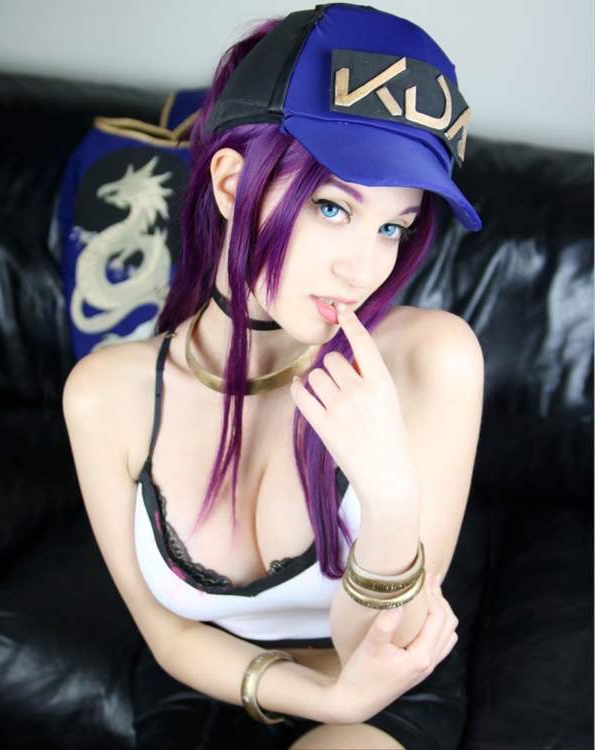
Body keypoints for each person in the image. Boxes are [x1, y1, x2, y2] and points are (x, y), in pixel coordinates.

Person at [63, 3, 484, 749]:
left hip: (384, 696)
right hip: (207, 689)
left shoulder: (430, 360)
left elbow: (381, 649)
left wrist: (389, 496)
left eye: (393, 225)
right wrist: (316, 692)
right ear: (232, 184)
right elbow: (168, 633)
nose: (363, 267)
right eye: (332, 207)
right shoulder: (107, 395)